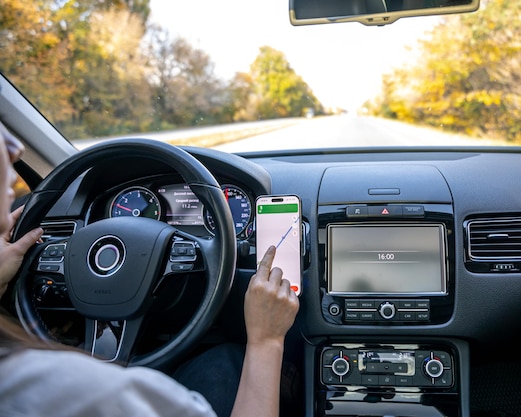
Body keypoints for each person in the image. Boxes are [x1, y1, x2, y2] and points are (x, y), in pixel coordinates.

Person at [0, 120, 300, 417]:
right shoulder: (104, 394)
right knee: (225, 360)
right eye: (2, 135)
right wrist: (265, 341)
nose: (16, 147)